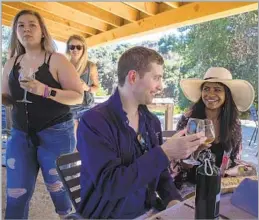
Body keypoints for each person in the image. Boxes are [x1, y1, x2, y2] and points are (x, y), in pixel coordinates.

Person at [76, 46, 207, 219]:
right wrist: (165, 152)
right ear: (133, 77)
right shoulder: (94, 122)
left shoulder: (151, 122)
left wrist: (173, 201)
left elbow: (160, 172)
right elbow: (111, 186)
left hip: (148, 211)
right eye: (156, 78)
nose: (161, 86)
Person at [2, 9, 84, 219]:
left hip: (57, 134)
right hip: (20, 135)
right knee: (15, 197)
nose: (26, 29)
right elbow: (6, 96)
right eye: (21, 25)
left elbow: (78, 96)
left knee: (62, 196)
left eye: (32, 24)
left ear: (42, 32)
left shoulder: (56, 60)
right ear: (15, 32)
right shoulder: (11, 63)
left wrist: (45, 90)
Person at [174, 67, 255, 188]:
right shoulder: (189, 121)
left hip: (219, 186)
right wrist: (195, 151)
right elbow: (178, 165)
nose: (210, 94)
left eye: (217, 90)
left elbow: (234, 160)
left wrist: (242, 170)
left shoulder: (233, 124)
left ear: (226, 95)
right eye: (206, 89)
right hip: (189, 186)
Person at [66, 34, 99, 133]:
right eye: (72, 47)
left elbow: (96, 87)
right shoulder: (63, 65)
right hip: (69, 108)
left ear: (83, 49)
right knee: (74, 142)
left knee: (87, 140)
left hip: (86, 107)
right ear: (68, 49)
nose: (75, 50)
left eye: (78, 47)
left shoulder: (91, 66)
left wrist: (87, 88)